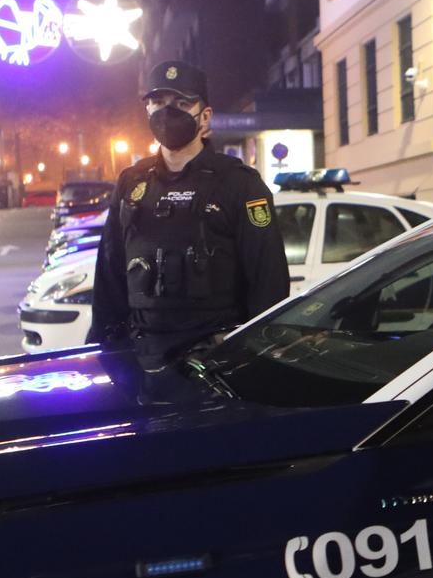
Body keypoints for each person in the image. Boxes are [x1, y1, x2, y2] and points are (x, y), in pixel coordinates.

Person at [90, 61, 290, 359]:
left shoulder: (239, 184)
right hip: (143, 356)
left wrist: (251, 356)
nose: (166, 112)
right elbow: (109, 275)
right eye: (157, 102)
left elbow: (268, 282)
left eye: (181, 103)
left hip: (214, 361)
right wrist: (102, 347)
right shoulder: (130, 183)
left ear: (205, 116)